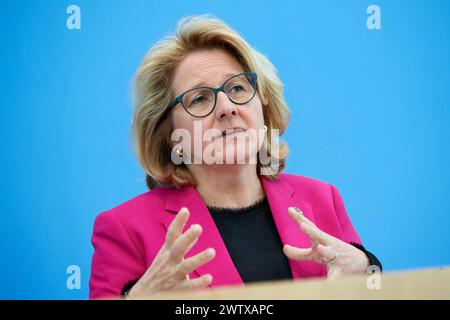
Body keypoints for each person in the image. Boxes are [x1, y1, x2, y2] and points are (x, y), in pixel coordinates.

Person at [89, 15, 381, 299]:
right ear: (169, 134)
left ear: (262, 106)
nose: (227, 107)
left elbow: (378, 294)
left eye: (238, 88)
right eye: (200, 98)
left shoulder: (322, 199)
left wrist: (367, 270)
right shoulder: (124, 229)